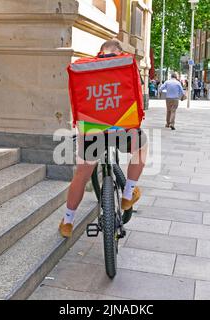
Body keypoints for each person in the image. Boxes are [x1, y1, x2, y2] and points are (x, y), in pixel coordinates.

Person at [59, 40, 148, 238]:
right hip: (123, 127)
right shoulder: (126, 64)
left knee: (81, 176)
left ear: (100, 53)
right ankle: (127, 194)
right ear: (119, 52)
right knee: (141, 146)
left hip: (92, 130)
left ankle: (67, 221)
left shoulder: (85, 68)